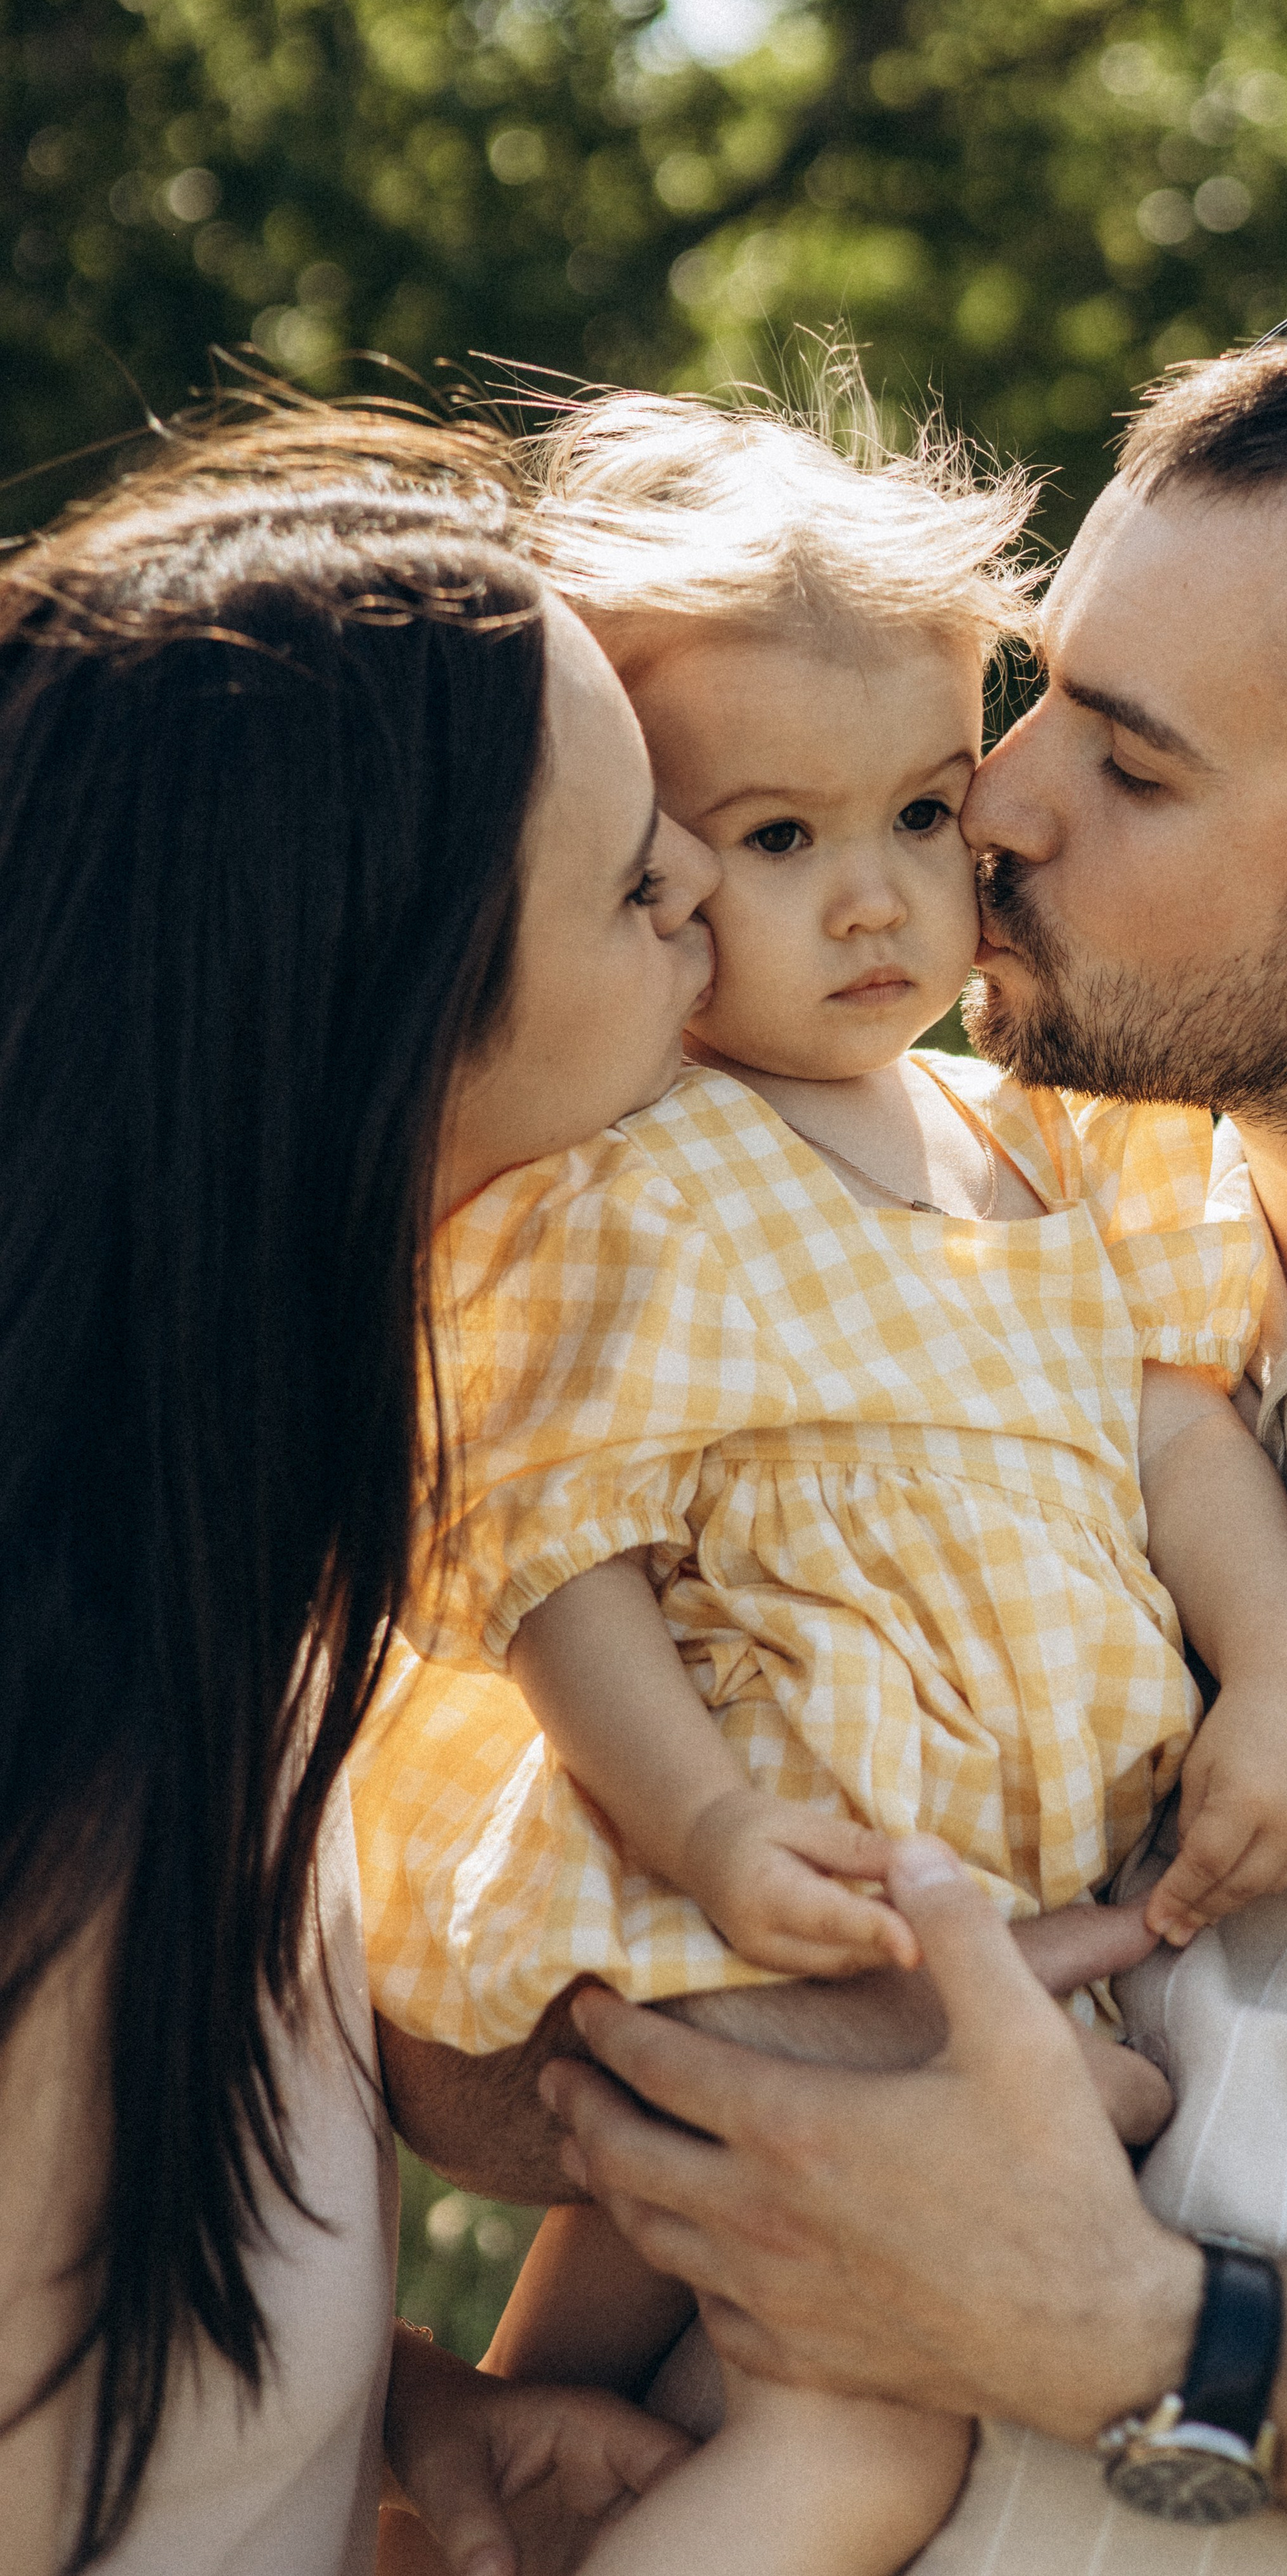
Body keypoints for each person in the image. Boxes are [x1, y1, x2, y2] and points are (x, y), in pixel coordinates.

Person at [513, 311, 1287, 2576]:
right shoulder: (893, 1207)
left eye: (1136, 766)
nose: (998, 800)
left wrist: (1146, 2334)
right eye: (1039, 687)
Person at [348, 390, 1287, 2576]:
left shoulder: (1054, 1139)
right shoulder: (641, 1174)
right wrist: (701, 1822)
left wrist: (1277, 1666)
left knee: (611, 2370)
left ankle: (498, 2474)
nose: (880, 897)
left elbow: (1177, 1419)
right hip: (749, 1866)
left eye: (918, 807)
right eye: (773, 841)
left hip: (941, 1899)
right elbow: (547, 1553)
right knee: (870, 2423)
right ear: (649, 856)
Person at [0, 399, 723, 2575]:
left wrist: (418, 2418)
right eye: (629, 876)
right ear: (391, 1035)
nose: (705, 880)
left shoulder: (245, 1607)